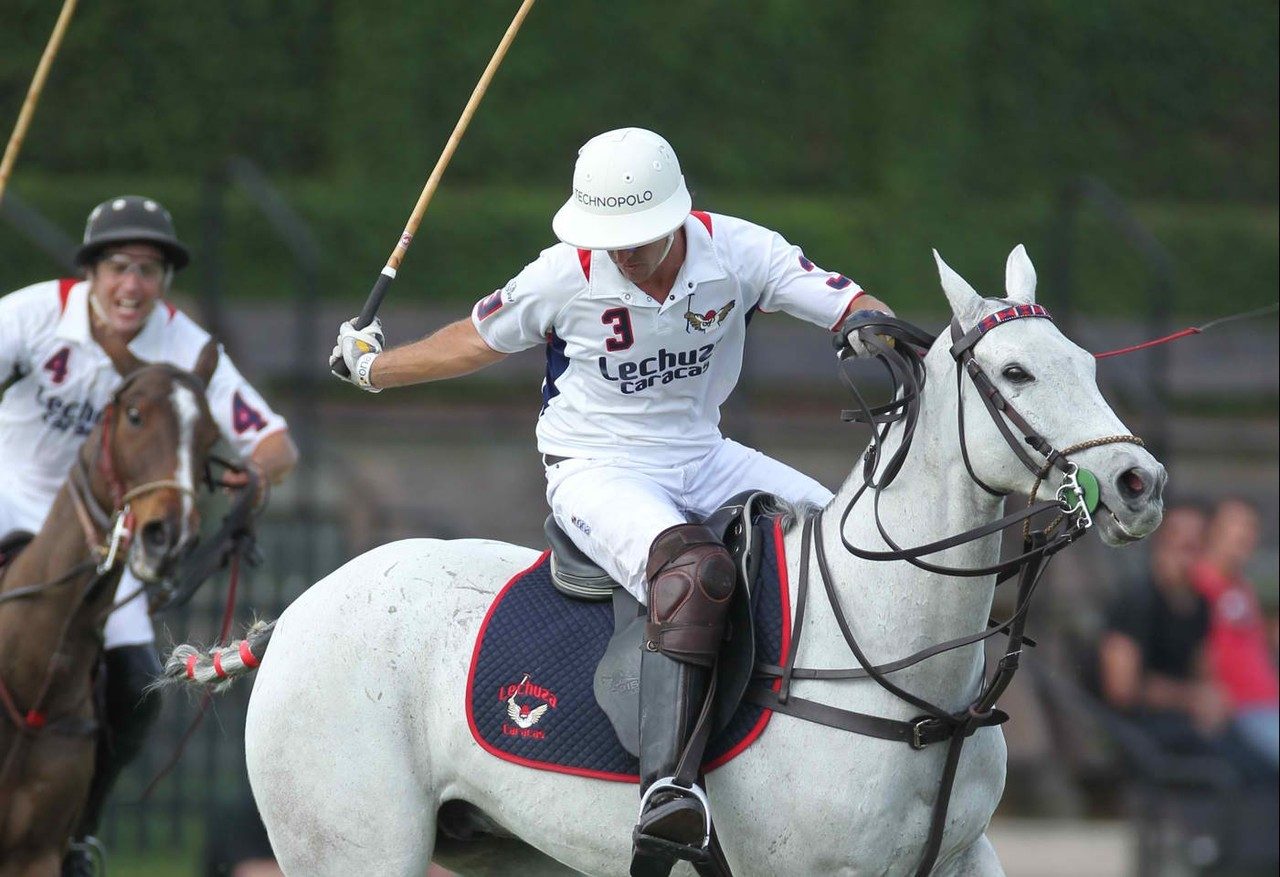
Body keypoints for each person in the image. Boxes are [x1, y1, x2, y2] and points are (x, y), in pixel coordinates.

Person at [329, 127, 891, 871]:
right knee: (690, 573)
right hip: (595, 465)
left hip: (704, 453)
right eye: (606, 235)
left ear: (675, 218)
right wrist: (375, 369)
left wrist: (873, 329)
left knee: (849, 534)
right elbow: (475, 339)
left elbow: (851, 301)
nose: (619, 251)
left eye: (635, 236)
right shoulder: (564, 274)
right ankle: (669, 788)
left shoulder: (740, 251)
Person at [0, 195, 299, 876]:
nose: (132, 285)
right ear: (91, 271)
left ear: (164, 280)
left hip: (112, 538)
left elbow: (276, 441)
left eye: (149, 269)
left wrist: (255, 471)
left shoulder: (183, 345)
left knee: (134, 680)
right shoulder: (31, 314)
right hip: (10, 497)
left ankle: (73, 831)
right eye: (118, 266)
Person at [1097, 504, 1233, 758]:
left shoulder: (1201, 604)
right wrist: (1190, 699)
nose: (1187, 550)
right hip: (1142, 733)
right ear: (1160, 541)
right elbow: (1122, 690)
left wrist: (1211, 700)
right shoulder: (1137, 600)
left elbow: (1204, 672)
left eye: (1197, 542)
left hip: (1190, 726)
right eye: (1179, 541)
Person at [1191, 498, 1279, 774]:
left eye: (1251, 526)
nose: (1245, 533)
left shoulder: (1242, 587)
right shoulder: (1196, 582)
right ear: (1212, 530)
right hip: (1240, 710)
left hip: (1268, 704)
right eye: (1236, 524)